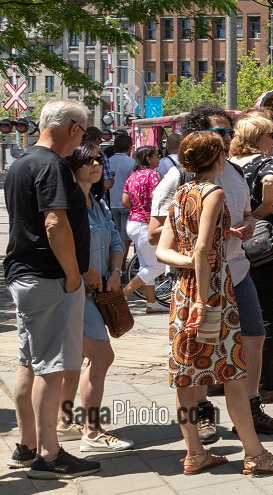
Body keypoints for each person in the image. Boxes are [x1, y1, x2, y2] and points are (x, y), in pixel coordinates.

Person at [156, 131, 273, 476]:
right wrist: (204, 296)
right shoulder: (214, 192)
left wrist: (191, 266)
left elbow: (163, 249)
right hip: (213, 292)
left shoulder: (181, 193)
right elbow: (205, 249)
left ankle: (194, 453)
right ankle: (255, 454)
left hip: (182, 291)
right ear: (218, 158)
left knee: (186, 376)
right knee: (233, 372)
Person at [4, 99, 101, 479]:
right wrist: (73, 274)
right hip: (49, 278)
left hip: (26, 275)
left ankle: (28, 445)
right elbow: (54, 223)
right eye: (82, 131)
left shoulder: (22, 162)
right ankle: (49, 453)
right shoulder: (52, 166)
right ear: (73, 129)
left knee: (29, 362)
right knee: (51, 368)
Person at [54, 142, 133, 451]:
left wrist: (115, 272)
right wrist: (86, 271)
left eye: (99, 160)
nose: (96, 165)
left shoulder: (97, 202)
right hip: (74, 293)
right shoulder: (69, 203)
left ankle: (63, 422)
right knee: (102, 355)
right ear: (74, 166)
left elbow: (115, 237)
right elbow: (61, 244)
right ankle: (92, 431)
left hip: (99, 292)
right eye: (88, 160)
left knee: (76, 359)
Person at [227, 116, 273, 404]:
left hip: (230, 246)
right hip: (263, 247)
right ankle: (266, 382)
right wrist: (264, 207)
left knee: (231, 316)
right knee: (265, 316)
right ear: (261, 136)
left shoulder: (229, 164)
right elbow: (271, 181)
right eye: (272, 134)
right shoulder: (267, 162)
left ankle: (227, 375)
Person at [121, 145, 164, 313]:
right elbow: (159, 198)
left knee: (147, 264)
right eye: (156, 156)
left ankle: (151, 302)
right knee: (158, 266)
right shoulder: (154, 175)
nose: (158, 159)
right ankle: (123, 294)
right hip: (148, 224)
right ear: (148, 158)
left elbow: (125, 201)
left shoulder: (132, 177)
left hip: (133, 223)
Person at [106, 132, 135, 260]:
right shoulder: (131, 162)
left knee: (117, 236)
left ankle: (115, 264)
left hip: (112, 203)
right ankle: (120, 266)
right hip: (127, 203)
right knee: (125, 238)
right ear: (129, 147)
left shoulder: (108, 161)